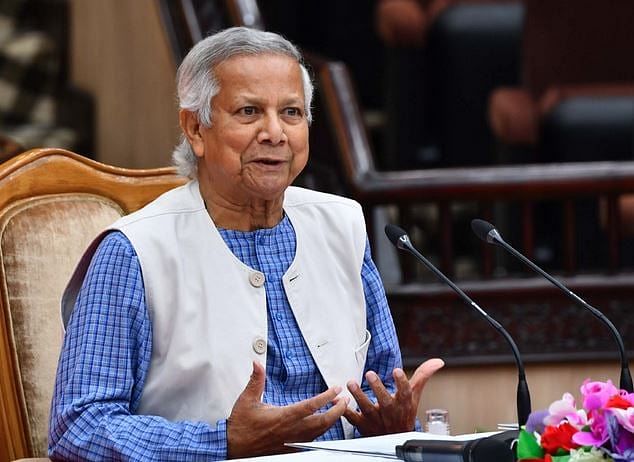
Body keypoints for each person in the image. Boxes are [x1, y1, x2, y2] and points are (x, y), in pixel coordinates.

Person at [48, 27, 444, 460]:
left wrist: (392, 425)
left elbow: (383, 385)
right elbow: (78, 426)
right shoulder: (134, 252)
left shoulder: (341, 225)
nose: (275, 133)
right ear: (195, 128)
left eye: (291, 113)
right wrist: (222, 442)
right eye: (249, 111)